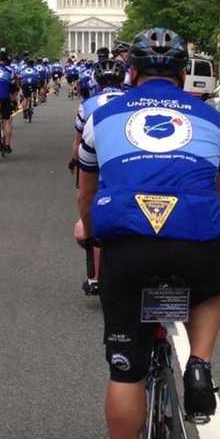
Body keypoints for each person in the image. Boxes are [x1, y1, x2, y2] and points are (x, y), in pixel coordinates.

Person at [75, 27, 220, 439]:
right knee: (214, 283)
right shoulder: (214, 118)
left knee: (126, 372)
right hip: (193, 243)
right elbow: (217, 188)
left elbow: (87, 192)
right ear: (184, 74)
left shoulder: (100, 117)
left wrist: (88, 229)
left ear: (131, 73)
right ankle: (201, 364)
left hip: (128, 250)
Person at [69, 59, 127, 295]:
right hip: (126, 167)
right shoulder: (132, 102)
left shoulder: (88, 104)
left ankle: (95, 277)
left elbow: (78, 142)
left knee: (91, 218)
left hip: (98, 165)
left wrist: (75, 161)